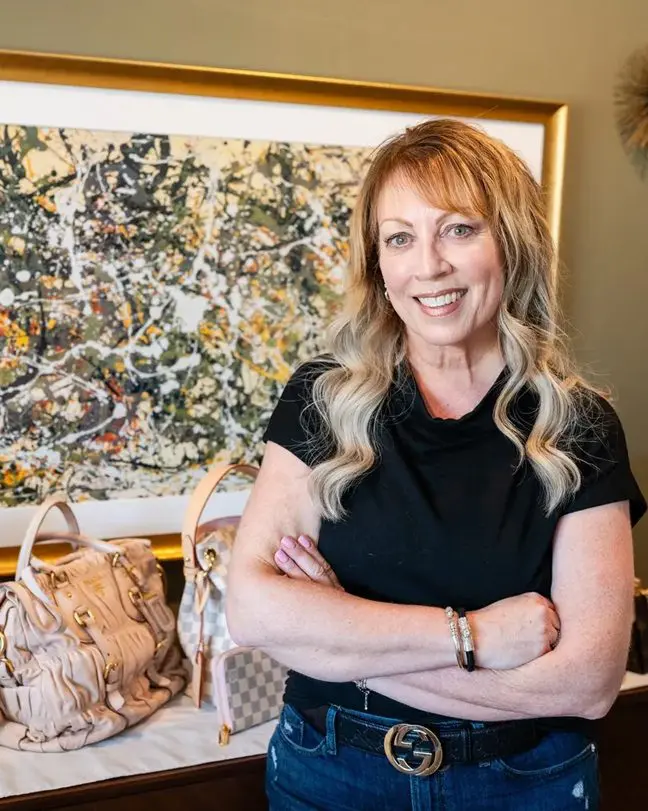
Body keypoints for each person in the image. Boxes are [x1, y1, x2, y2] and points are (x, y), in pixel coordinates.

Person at [226, 119, 646, 811]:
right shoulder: (322, 398)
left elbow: (588, 683)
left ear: (511, 243)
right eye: (400, 237)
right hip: (330, 772)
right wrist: (474, 636)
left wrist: (339, 637)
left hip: (524, 782)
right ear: (378, 263)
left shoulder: (580, 426)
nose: (429, 265)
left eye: (458, 229)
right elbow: (253, 609)